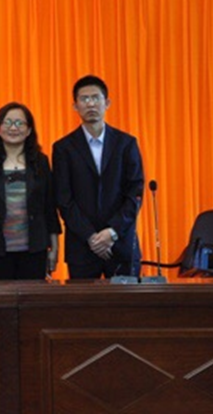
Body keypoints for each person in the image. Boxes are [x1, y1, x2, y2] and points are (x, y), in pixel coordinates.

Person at [52, 75, 145, 279]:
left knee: (127, 300)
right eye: (84, 99)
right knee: (83, 301)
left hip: (121, 244)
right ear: (75, 106)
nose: (90, 104)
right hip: (82, 247)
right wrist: (91, 237)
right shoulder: (63, 148)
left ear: (107, 103)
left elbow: (135, 192)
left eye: (96, 98)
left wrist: (111, 232)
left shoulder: (126, 143)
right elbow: (64, 199)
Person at [0, 102, 60, 280]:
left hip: (35, 248)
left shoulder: (40, 162)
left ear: (29, 130)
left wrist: (55, 247)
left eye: (20, 123)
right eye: (7, 122)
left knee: (32, 297)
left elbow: (49, 207)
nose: (13, 128)